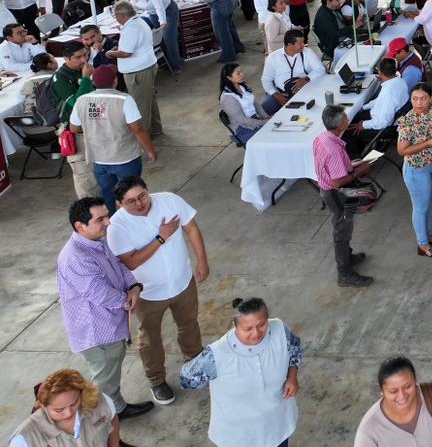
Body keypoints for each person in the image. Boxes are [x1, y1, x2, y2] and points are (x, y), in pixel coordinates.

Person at [105, 177, 207, 406]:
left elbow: (191, 228)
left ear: (148, 190)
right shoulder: (117, 227)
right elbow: (131, 262)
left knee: (189, 325)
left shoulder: (169, 201)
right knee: (150, 338)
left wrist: (202, 260)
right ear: (120, 204)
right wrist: (162, 237)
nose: (139, 203)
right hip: (148, 293)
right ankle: (157, 381)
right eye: (131, 201)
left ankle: (196, 364)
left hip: (183, 281)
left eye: (142, 196)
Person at [56, 197, 154, 421]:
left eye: (107, 216)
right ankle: (102, 426)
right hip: (98, 334)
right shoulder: (75, 257)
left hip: (111, 325)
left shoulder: (97, 241)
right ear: (80, 226)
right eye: (100, 219)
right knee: (103, 385)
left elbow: (118, 266)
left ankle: (117, 408)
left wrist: (134, 286)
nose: (108, 222)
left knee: (110, 375)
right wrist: (127, 300)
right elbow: (99, 293)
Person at [179, 296, 301, 447]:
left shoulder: (279, 329)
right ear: (235, 325)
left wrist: (292, 376)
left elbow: (295, 348)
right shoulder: (217, 355)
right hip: (239, 435)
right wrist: (217, 382)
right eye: (248, 329)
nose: (256, 333)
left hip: (277, 424)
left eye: (262, 325)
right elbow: (186, 378)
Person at [69, 66, 158, 211]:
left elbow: (74, 128)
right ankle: (134, 217)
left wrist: (94, 125)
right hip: (125, 158)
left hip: (99, 159)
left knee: (107, 194)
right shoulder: (124, 99)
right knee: (131, 193)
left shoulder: (81, 100)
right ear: (115, 81)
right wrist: (150, 150)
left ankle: (111, 220)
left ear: (93, 82)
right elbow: (138, 129)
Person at [313, 104, 376, 287]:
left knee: (342, 227)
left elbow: (331, 167)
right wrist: (360, 171)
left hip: (328, 189)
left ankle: (347, 258)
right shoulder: (333, 149)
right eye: (346, 119)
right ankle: (345, 273)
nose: (348, 120)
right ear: (340, 125)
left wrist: (352, 164)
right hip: (335, 194)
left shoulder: (322, 137)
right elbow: (337, 182)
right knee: (342, 232)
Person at [352, 356, 432, 447]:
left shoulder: (431, 397)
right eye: (393, 391)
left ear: (415, 381)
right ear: (381, 391)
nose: (402, 396)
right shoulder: (368, 431)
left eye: (408, 386)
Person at [395, 82, 432, 259]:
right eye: (414, 99)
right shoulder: (408, 122)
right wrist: (427, 143)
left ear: (431, 98)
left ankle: (428, 234)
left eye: (423, 98)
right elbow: (401, 150)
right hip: (416, 170)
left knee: (429, 203)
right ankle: (423, 244)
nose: (418, 103)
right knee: (421, 207)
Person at [9, 369, 122, 447]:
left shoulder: (100, 402)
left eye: (74, 403)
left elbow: (112, 420)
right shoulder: (24, 439)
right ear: (43, 405)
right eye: (59, 410)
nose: (69, 414)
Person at [105, 1, 162, 137]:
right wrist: (119, 49)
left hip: (138, 71)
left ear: (122, 15)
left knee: (140, 105)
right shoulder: (139, 21)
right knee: (149, 101)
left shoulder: (131, 28)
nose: (116, 18)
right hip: (146, 65)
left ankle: (144, 136)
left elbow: (126, 53)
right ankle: (156, 128)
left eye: (115, 16)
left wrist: (111, 53)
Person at [118, 0, 182, 75]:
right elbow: (132, 13)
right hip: (153, 14)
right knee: (160, 39)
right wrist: (123, 25)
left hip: (168, 10)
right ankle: (167, 64)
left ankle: (176, 66)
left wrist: (163, 22)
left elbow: (159, 6)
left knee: (169, 39)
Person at [260, 30, 323, 114]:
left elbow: (320, 69)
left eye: (303, 42)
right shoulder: (273, 58)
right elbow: (266, 80)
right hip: (280, 93)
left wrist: (306, 79)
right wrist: (275, 95)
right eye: (300, 43)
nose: (303, 45)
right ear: (289, 45)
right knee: (262, 112)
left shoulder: (307, 52)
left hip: (303, 90)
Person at [219, 63, 267, 144]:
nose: (242, 74)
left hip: (254, 120)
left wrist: (266, 117)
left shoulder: (243, 86)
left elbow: (255, 104)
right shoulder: (227, 98)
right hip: (241, 129)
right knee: (267, 138)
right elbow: (242, 120)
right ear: (229, 78)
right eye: (238, 73)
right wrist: (264, 122)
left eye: (241, 71)